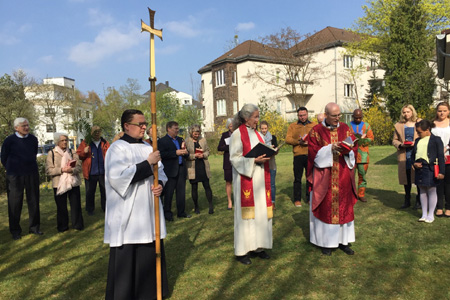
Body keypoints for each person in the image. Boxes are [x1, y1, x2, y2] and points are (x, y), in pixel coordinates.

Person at [104, 109, 169, 299]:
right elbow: (117, 178)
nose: (144, 127)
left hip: (148, 211)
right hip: (128, 212)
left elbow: (161, 173)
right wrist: (147, 164)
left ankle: (148, 293)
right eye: (139, 124)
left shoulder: (149, 147)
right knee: (129, 254)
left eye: (144, 123)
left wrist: (160, 186)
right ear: (126, 125)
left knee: (149, 250)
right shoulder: (117, 148)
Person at [307, 103, 358, 256]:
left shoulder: (345, 128)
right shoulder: (316, 131)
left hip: (342, 174)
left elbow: (354, 146)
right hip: (325, 177)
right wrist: (330, 149)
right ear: (326, 115)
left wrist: (348, 148)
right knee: (326, 207)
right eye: (334, 115)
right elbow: (312, 152)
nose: (338, 118)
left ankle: (344, 241)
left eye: (339, 115)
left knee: (344, 207)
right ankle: (327, 243)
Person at [230, 103, 273, 265]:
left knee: (260, 213)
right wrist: (254, 160)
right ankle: (242, 251)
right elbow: (234, 158)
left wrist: (269, 151)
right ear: (246, 118)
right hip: (246, 180)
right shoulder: (237, 134)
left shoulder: (258, 134)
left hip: (260, 179)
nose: (258, 120)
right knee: (247, 217)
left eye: (258, 116)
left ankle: (259, 247)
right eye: (255, 117)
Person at [1, 117, 42, 240]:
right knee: (15, 203)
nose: (26, 128)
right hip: (14, 175)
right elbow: (4, 158)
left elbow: (33, 154)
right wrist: (12, 168)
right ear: (16, 128)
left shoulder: (33, 139)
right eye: (23, 126)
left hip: (31, 173)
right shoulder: (9, 141)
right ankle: (15, 230)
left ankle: (34, 227)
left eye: (27, 125)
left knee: (34, 200)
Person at [46, 132, 84, 232]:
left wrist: (71, 170)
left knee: (76, 205)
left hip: (73, 182)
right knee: (61, 207)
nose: (65, 142)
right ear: (57, 142)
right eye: (62, 140)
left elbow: (79, 167)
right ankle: (63, 227)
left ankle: (77, 225)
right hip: (59, 183)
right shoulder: (52, 153)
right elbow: (49, 170)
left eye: (66, 140)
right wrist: (62, 170)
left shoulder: (72, 152)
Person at [412, 120, 445, 223]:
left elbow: (440, 156)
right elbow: (413, 155)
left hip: (430, 168)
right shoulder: (417, 141)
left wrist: (442, 172)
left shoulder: (436, 140)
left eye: (420, 132)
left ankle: (431, 215)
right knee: (422, 190)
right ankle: (424, 214)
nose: (418, 134)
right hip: (419, 169)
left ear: (427, 130)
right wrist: (414, 163)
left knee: (431, 190)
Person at [159, 121, 191, 221]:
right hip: (170, 170)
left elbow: (187, 154)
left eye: (178, 128)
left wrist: (185, 152)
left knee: (181, 192)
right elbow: (162, 154)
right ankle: (167, 214)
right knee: (169, 193)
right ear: (168, 128)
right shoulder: (162, 141)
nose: (177, 130)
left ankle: (181, 212)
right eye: (175, 129)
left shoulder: (180, 139)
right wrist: (175, 153)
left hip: (181, 169)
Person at [285, 107, 316, 207]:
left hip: (310, 154)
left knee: (310, 178)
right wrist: (298, 142)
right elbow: (287, 139)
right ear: (297, 116)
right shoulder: (292, 126)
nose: (302, 117)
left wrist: (310, 142)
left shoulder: (314, 125)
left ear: (307, 114)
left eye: (304, 115)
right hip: (298, 155)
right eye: (300, 115)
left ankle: (309, 198)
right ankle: (297, 199)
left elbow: (318, 137)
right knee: (297, 179)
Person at [76, 126, 110, 215]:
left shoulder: (105, 142)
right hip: (90, 171)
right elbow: (79, 155)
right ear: (91, 133)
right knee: (90, 192)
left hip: (103, 171)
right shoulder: (86, 143)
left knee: (104, 191)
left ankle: (105, 207)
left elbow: (110, 153)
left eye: (99, 131)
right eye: (95, 131)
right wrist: (84, 151)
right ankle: (90, 209)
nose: (97, 133)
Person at [393, 104, 421, 209]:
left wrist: (416, 142)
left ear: (412, 112)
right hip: (404, 154)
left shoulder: (419, 123)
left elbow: (425, 136)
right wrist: (401, 145)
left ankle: (419, 201)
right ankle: (407, 200)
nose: (406, 114)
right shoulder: (399, 125)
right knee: (406, 178)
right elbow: (394, 140)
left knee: (418, 177)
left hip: (417, 153)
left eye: (408, 112)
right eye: (404, 112)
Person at [185, 124, 214, 214]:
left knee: (207, 186)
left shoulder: (203, 140)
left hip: (203, 166)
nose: (197, 136)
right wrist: (194, 156)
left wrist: (203, 155)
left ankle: (211, 206)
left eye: (198, 134)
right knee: (194, 187)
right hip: (193, 167)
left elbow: (208, 151)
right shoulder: (187, 141)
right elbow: (185, 155)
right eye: (195, 134)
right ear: (191, 133)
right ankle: (196, 207)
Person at [349, 109, 374, 202]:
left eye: (360, 118)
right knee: (349, 177)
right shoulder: (348, 125)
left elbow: (371, 138)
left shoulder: (366, 126)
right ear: (353, 117)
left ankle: (361, 194)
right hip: (350, 155)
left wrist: (363, 140)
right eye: (356, 118)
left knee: (362, 176)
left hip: (363, 155)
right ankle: (351, 194)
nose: (358, 120)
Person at [432, 102, 450, 217]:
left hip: (448, 156)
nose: (442, 113)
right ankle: (439, 206)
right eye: (439, 111)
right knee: (438, 183)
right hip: (436, 158)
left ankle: (448, 207)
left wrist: (446, 148)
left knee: (448, 183)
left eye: (444, 110)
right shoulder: (432, 124)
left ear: (448, 111)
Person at [260, 120, 278, 209]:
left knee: (272, 184)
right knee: (261, 184)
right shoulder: (257, 137)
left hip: (271, 162)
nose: (264, 130)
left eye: (265, 128)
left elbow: (276, 149)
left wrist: (274, 150)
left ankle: (273, 201)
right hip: (261, 163)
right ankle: (263, 202)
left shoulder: (272, 137)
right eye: (262, 128)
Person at [218, 118, 234, 210]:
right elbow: (219, 147)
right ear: (228, 126)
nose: (232, 127)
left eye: (233, 125)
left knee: (238, 181)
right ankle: (229, 201)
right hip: (227, 162)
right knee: (228, 181)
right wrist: (229, 146)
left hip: (237, 161)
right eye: (230, 126)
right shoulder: (224, 135)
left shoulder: (238, 134)